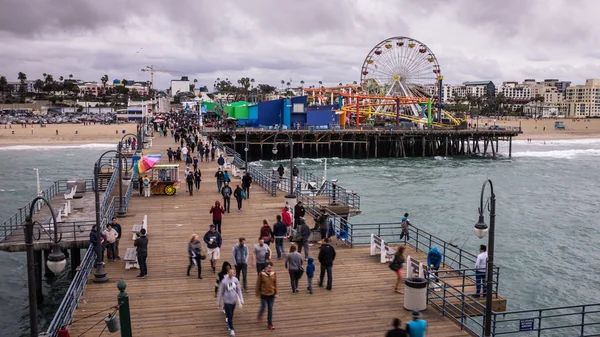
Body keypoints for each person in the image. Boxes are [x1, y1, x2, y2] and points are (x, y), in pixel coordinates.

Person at [217, 267, 244, 336]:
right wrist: (219, 302)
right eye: (231, 272)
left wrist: (241, 299)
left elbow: (239, 290)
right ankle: (232, 330)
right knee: (229, 315)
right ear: (228, 273)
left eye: (233, 272)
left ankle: (229, 323)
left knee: (231, 315)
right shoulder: (224, 281)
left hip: (233, 300)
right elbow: (221, 292)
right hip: (227, 301)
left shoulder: (235, 280)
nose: (232, 274)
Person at [256, 261, 277, 330]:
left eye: (271, 267)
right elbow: (258, 284)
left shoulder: (274, 274)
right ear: (265, 268)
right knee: (264, 306)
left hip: (271, 294)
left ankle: (270, 323)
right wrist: (257, 292)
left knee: (270, 309)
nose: (270, 268)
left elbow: (275, 284)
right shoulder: (261, 274)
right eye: (268, 267)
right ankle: (260, 315)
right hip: (264, 294)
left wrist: (276, 293)